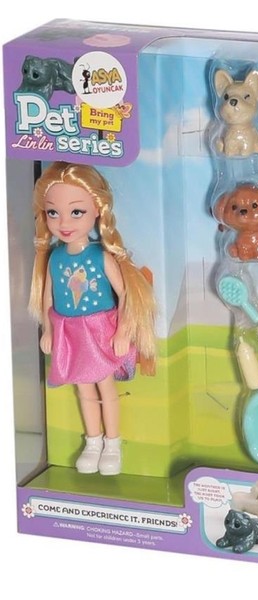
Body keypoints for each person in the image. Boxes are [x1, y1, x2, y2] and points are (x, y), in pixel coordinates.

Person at [29, 161, 156, 476]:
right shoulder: (55, 258)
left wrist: (123, 331)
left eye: (76, 212)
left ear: (97, 210)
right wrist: (48, 331)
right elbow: (48, 297)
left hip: (99, 330)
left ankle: (112, 444)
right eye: (53, 212)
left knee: (105, 388)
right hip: (70, 332)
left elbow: (125, 293)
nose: (63, 222)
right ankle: (93, 442)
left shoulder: (100, 256)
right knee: (84, 390)